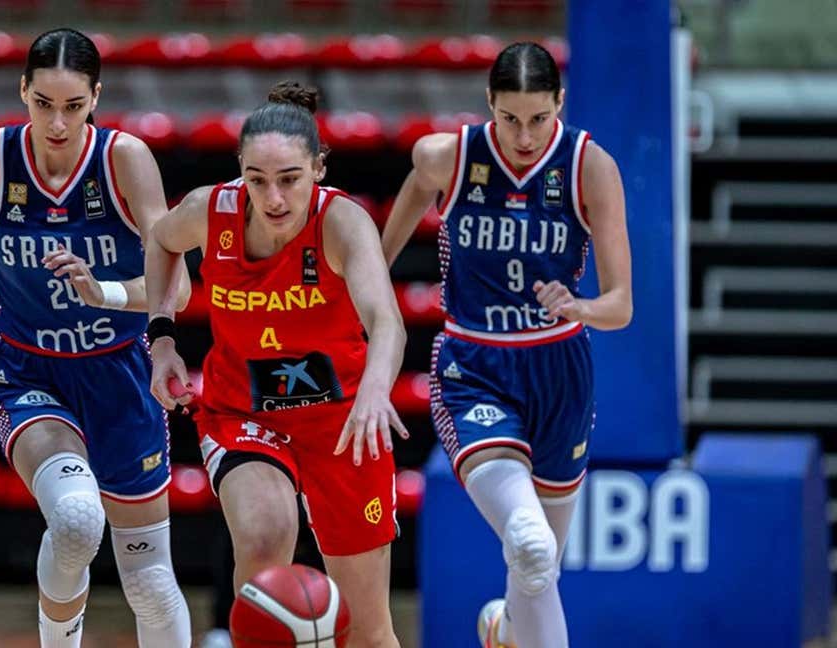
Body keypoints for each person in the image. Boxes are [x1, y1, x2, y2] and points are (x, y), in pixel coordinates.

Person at [0, 27, 193, 648]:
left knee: (150, 583)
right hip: (30, 374)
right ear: (23, 92)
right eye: (43, 103)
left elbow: (180, 289)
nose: (57, 123)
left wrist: (106, 293)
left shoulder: (125, 160)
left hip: (120, 373)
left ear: (96, 97)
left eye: (73, 106)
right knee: (76, 519)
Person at [381, 42, 633, 648]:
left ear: (561, 105)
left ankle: (505, 629)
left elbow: (621, 305)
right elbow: (389, 232)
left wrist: (580, 306)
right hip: (474, 366)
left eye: (539, 118)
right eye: (511, 117)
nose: (524, 135)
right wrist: (367, 291)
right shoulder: (450, 157)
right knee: (530, 541)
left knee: (541, 563)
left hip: (559, 370)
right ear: (489, 103)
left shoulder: (589, 166)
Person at [145, 81, 410, 648]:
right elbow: (161, 242)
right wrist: (162, 336)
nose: (272, 199)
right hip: (242, 414)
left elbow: (388, 321)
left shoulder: (342, 223)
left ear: (318, 168)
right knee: (266, 534)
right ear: (239, 169)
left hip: (342, 421)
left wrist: (375, 390)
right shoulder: (207, 211)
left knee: (367, 630)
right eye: (257, 180)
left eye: (289, 179)